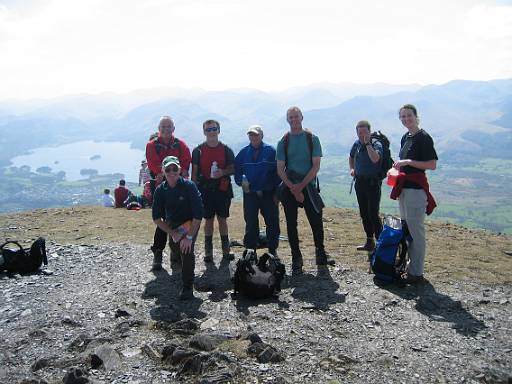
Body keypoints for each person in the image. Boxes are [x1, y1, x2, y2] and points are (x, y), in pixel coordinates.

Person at [276, 106, 334, 275]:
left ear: (302, 117)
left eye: (296, 116)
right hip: (290, 186)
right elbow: (280, 169)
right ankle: (296, 257)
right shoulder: (283, 141)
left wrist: (299, 187)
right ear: (288, 120)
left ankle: (320, 253)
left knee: (316, 221)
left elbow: (316, 166)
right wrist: (293, 188)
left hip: (307, 185)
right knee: (291, 224)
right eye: (291, 117)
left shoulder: (312, 139)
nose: (294, 119)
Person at [391, 104, 438, 284]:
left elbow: (432, 164)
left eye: (409, 116)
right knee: (408, 230)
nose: (406, 119)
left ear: (416, 116)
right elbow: (406, 163)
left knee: (416, 232)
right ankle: (410, 267)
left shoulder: (423, 138)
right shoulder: (406, 137)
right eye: (402, 116)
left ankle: (416, 273)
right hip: (404, 188)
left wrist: (408, 161)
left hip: (416, 191)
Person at [152, 156, 203, 300]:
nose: (172, 172)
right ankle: (177, 259)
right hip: (173, 225)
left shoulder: (189, 186)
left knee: (186, 249)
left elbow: (199, 215)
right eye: (168, 169)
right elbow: (156, 218)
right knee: (174, 246)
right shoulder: (160, 190)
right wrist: (172, 232)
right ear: (163, 171)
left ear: (180, 169)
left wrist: (189, 237)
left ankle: (188, 287)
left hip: (190, 222)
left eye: (175, 168)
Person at [146, 116, 192, 270]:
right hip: (161, 188)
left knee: (178, 218)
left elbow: (186, 159)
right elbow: (152, 163)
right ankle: (158, 253)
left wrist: (179, 172)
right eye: (163, 126)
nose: (166, 129)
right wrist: (169, 174)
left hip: (178, 187)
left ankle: (176, 251)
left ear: (173, 128)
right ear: (159, 129)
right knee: (162, 220)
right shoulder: (152, 145)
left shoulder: (180, 144)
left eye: (169, 126)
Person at [191, 119, 235, 263]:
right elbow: (194, 173)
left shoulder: (226, 149)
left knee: (222, 219)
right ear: (204, 132)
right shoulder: (198, 151)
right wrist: (193, 192)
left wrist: (222, 172)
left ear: (218, 130)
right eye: (208, 129)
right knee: (208, 220)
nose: (211, 132)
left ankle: (226, 251)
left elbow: (233, 168)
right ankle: (208, 252)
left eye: (214, 129)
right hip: (205, 190)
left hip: (222, 190)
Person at [234, 125, 281, 256]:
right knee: (251, 222)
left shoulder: (271, 151)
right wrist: (240, 182)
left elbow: (278, 172)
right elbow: (237, 171)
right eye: (251, 135)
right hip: (250, 194)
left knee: (272, 222)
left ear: (262, 136)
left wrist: (277, 193)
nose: (253, 137)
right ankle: (250, 250)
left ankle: (272, 250)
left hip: (268, 193)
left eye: (256, 135)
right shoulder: (243, 153)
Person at [349, 120, 384, 252]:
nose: (362, 135)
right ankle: (370, 241)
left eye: (364, 132)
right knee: (364, 213)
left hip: (373, 183)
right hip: (360, 182)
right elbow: (351, 156)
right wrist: (352, 169)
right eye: (359, 132)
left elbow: (375, 159)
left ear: (369, 131)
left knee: (373, 213)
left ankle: (380, 244)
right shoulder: (356, 144)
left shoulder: (376, 144)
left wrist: (368, 143)